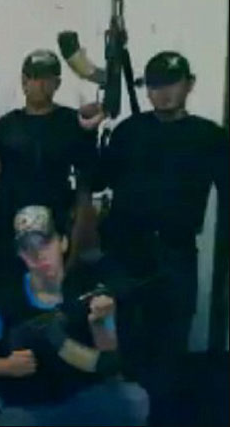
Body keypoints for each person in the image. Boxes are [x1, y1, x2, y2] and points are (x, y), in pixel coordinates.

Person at [97, 51, 229, 424]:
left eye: (171, 83)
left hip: (175, 254)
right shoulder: (128, 131)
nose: (163, 93)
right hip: (125, 254)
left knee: (170, 351)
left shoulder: (210, 136)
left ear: (189, 84)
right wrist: (93, 131)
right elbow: (101, 179)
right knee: (123, 346)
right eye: (155, 85)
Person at [0, 206, 149, 426]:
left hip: (80, 400)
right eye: (28, 248)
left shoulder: (88, 290)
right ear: (21, 255)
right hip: (29, 406)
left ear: (63, 242)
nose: (38, 254)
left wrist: (100, 324)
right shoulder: (6, 299)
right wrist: (3, 366)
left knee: (135, 401)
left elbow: (108, 364)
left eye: (45, 243)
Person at [0, 49, 101, 278]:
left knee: (50, 292)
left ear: (57, 83)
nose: (39, 84)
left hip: (54, 225)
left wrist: (78, 241)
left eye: (46, 78)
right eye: (33, 77)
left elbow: (86, 185)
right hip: (6, 226)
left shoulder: (72, 122)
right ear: (24, 82)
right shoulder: (6, 125)